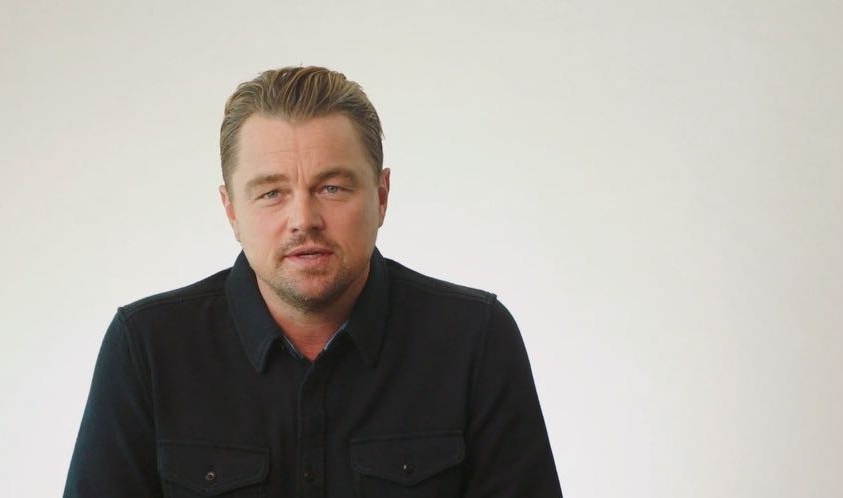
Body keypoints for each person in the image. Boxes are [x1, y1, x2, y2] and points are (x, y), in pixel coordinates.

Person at [64, 66, 562, 497]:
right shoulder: (147, 348)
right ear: (231, 210)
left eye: (332, 187)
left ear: (381, 196)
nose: (303, 219)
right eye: (271, 193)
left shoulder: (474, 339)